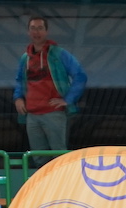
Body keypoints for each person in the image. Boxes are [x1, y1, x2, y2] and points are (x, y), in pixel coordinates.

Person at [14, 16, 87, 153]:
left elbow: (80, 76)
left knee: (58, 155)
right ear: (28, 32)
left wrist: (68, 100)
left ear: (46, 31)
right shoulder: (25, 58)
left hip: (53, 112)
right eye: (33, 28)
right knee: (37, 157)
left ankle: (62, 176)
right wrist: (18, 98)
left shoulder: (59, 54)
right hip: (32, 114)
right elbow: (19, 80)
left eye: (40, 28)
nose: (36, 32)